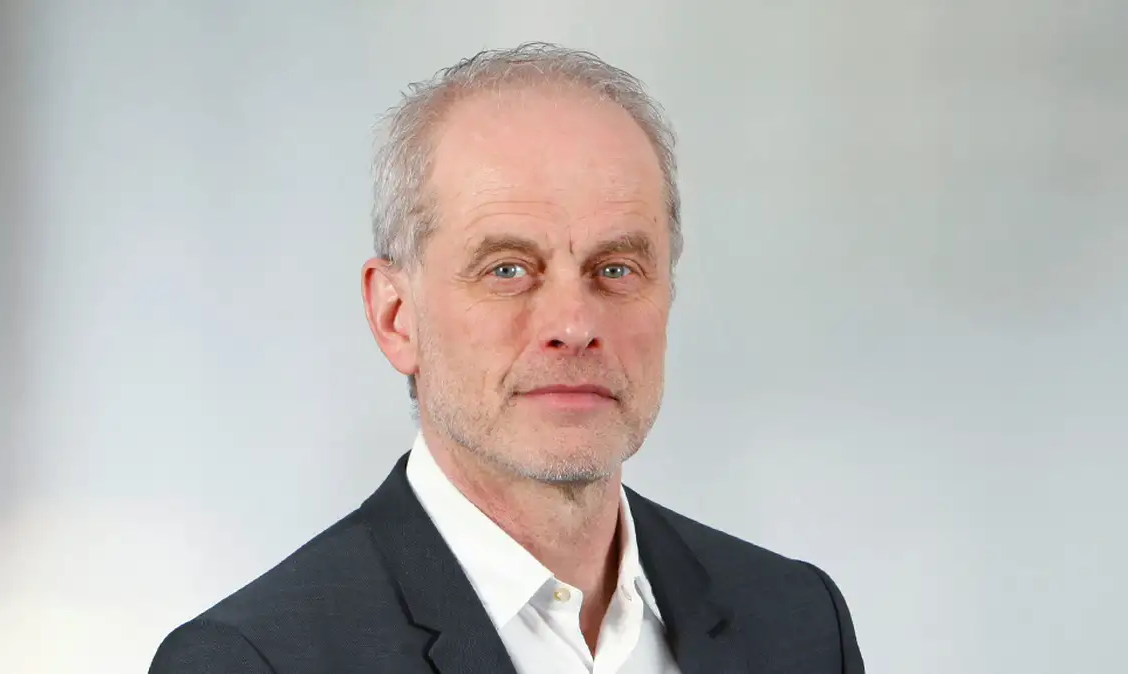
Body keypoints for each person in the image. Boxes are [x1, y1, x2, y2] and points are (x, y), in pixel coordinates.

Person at [149, 42, 865, 674]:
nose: (574, 325)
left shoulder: (799, 623)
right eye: (507, 270)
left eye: (616, 268)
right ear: (396, 317)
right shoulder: (252, 661)